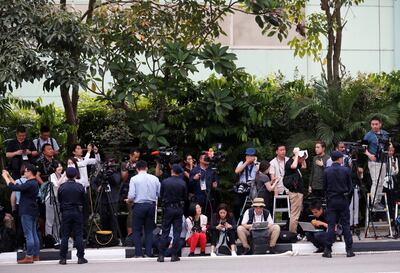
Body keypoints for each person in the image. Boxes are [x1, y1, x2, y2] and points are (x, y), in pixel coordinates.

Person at [2, 164, 40, 264]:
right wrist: (10, 177)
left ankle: (29, 256)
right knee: (33, 233)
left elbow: (13, 188)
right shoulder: (33, 183)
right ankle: (35, 255)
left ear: (30, 172)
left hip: (26, 211)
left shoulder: (30, 183)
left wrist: (5, 177)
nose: (24, 172)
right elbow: (18, 186)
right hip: (33, 211)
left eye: (26, 171)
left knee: (28, 234)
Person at [322, 151, 355, 258]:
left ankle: (328, 249)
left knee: (331, 225)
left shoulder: (327, 171)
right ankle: (349, 250)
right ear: (339, 159)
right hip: (343, 198)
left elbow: (324, 187)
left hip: (331, 200)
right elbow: (350, 187)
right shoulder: (346, 170)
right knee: (346, 224)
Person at [127, 160, 160, 258]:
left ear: (137, 169)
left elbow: (132, 196)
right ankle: (149, 252)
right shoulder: (154, 178)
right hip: (151, 205)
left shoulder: (134, 179)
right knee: (149, 230)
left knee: (136, 230)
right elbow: (158, 193)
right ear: (146, 168)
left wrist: (128, 200)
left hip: (139, 205)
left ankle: (138, 253)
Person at [157, 164, 187, 263]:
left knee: (165, 231)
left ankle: (161, 255)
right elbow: (185, 197)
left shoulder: (165, 182)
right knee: (177, 232)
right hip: (178, 208)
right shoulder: (182, 183)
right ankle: (174, 255)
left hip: (168, 208)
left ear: (172, 171)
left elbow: (161, 195)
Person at [58, 167, 87, 265]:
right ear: (75, 175)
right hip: (77, 211)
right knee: (78, 235)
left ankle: (63, 258)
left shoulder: (62, 187)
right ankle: (80, 257)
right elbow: (84, 200)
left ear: (66, 175)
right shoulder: (79, 186)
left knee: (65, 235)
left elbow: (59, 200)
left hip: (66, 212)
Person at [91, 159, 122, 240]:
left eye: (112, 163)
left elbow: (116, 181)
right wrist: (97, 188)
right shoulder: (101, 172)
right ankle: (105, 238)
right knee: (103, 219)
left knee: (113, 219)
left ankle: (114, 238)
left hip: (113, 199)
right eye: (109, 163)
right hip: (102, 199)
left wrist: (110, 174)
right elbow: (93, 182)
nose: (110, 165)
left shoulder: (115, 173)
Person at [363, 116, 389, 210]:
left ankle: (378, 201)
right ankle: (374, 202)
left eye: (376, 124)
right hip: (373, 162)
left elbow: (390, 145)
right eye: (372, 124)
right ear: (370, 125)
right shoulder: (368, 135)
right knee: (375, 181)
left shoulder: (385, 134)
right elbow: (363, 148)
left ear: (380, 124)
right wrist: (369, 155)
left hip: (383, 161)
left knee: (381, 182)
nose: (374, 126)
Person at [284, 147, 307, 233]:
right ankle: (292, 233)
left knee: (296, 213)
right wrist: (297, 154)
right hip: (295, 193)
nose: (303, 160)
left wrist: (303, 157)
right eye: (302, 158)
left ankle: (294, 232)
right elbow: (293, 166)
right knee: (295, 214)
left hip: (298, 192)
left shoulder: (297, 163)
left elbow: (304, 166)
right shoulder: (290, 162)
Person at [189, 152, 219, 217]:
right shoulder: (194, 170)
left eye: (207, 158)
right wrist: (194, 178)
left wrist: (215, 185)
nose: (207, 159)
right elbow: (189, 185)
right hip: (198, 197)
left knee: (208, 216)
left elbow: (215, 183)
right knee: (198, 216)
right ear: (200, 160)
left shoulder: (212, 170)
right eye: (205, 158)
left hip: (209, 198)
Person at [121, 148, 141, 236]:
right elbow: (123, 178)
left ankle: (139, 232)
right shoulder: (125, 164)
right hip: (128, 189)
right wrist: (128, 169)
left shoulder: (139, 164)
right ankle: (130, 233)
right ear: (130, 155)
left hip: (139, 189)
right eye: (135, 157)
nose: (137, 159)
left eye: (138, 157)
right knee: (131, 212)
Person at [44, 162, 65, 246]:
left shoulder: (62, 175)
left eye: (61, 166)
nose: (60, 168)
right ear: (54, 169)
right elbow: (56, 185)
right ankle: (48, 239)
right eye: (58, 167)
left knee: (58, 220)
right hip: (50, 199)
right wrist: (64, 176)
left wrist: (63, 176)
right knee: (50, 220)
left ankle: (56, 238)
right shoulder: (52, 176)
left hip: (59, 199)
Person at [383, 145, 398, 221]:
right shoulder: (384, 158)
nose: (391, 152)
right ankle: (382, 217)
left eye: (392, 151)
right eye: (389, 150)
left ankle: (392, 217)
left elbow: (396, 172)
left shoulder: (395, 159)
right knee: (384, 199)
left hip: (391, 180)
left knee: (391, 199)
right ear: (387, 151)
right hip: (383, 180)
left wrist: (394, 166)